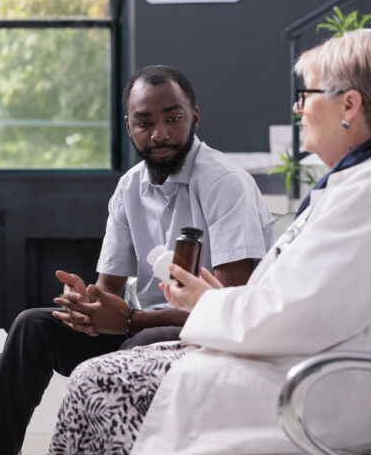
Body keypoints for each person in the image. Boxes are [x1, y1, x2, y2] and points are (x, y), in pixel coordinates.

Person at [49, 29, 371, 454]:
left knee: (98, 383)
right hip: (278, 353)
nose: (298, 107)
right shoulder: (349, 186)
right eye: (145, 122)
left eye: (306, 94)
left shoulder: (357, 195)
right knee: (54, 342)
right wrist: (96, 304)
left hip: (305, 381)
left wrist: (203, 301)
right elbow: (292, 301)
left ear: (349, 104)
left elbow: (289, 315)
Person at [0, 65, 274, 455]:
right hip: (142, 326)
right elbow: (108, 291)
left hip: (211, 336)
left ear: (194, 116)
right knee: (32, 326)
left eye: (173, 118)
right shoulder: (130, 186)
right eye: (144, 122)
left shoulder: (224, 183)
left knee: (143, 341)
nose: (160, 134)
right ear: (129, 125)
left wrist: (133, 320)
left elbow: (232, 305)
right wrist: (86, 305)